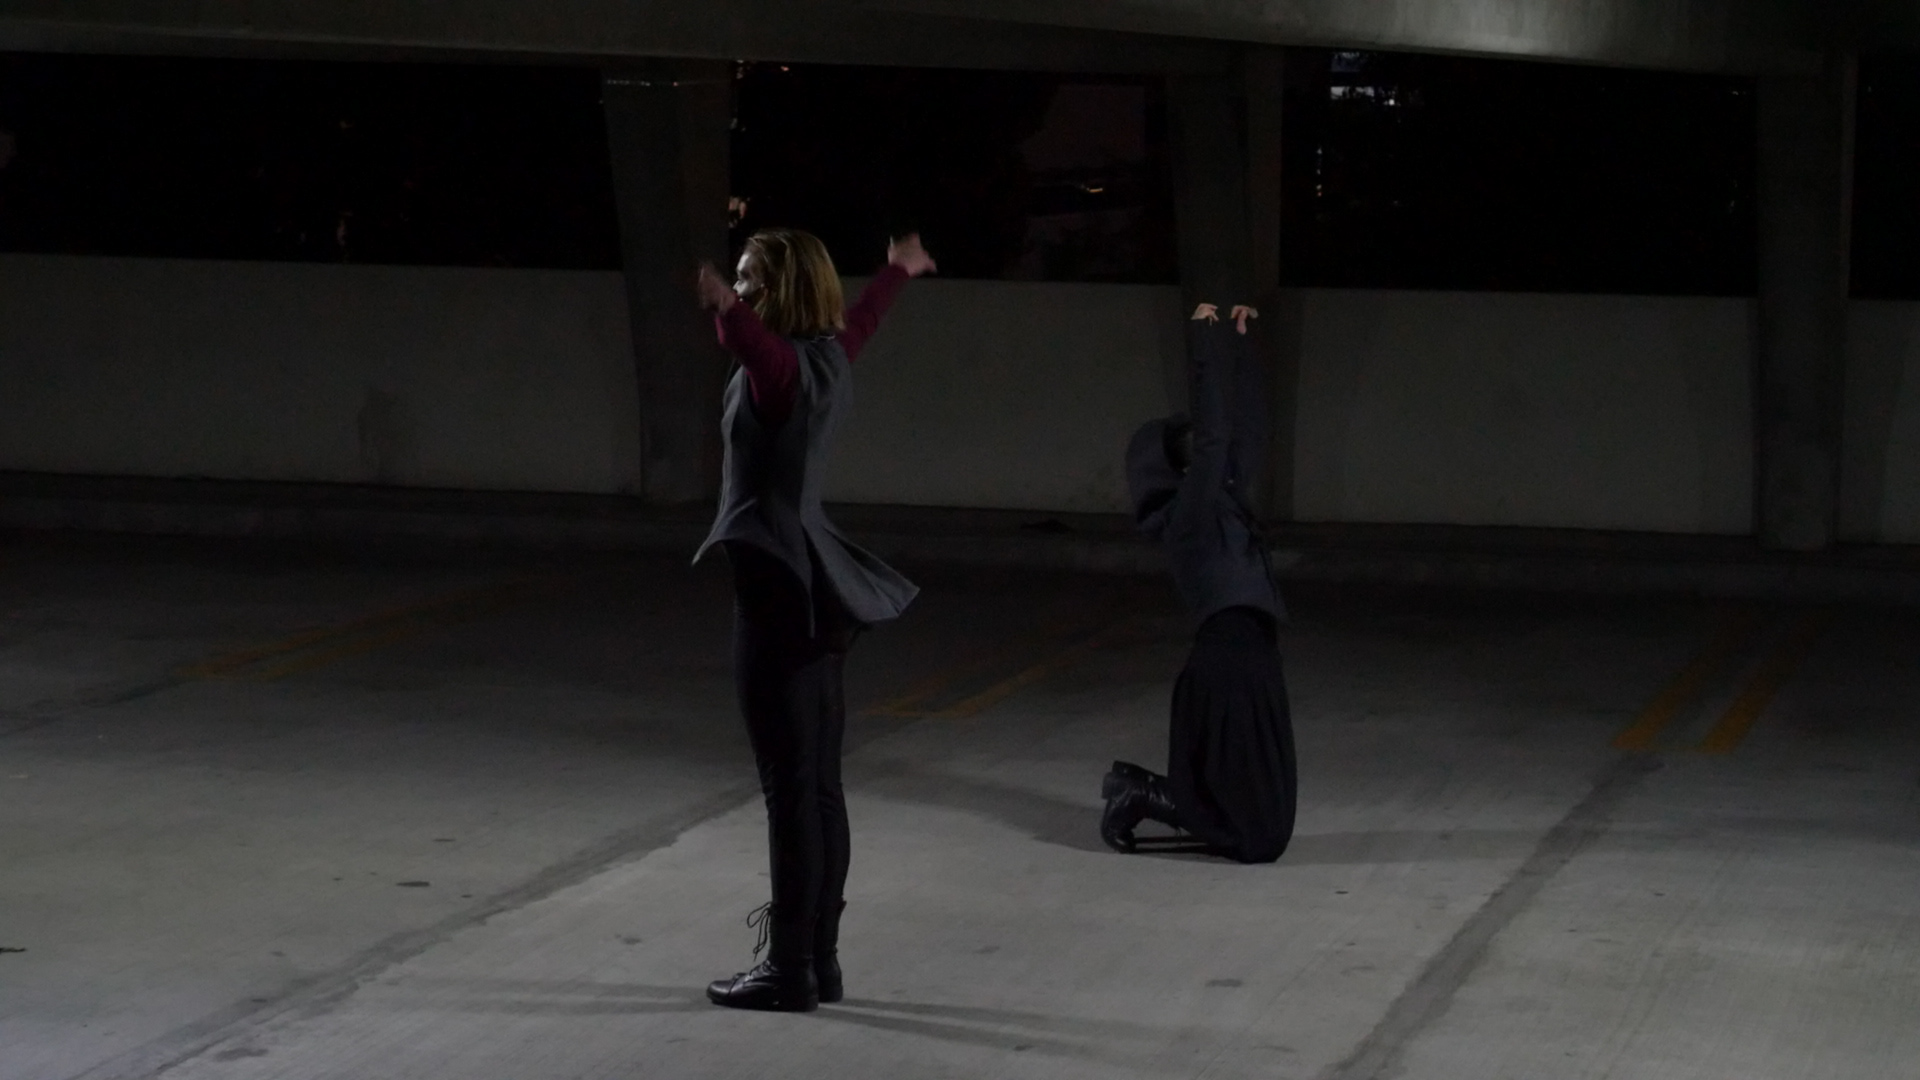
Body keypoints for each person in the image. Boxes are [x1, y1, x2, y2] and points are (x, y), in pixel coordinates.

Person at [692, 228, 937, 1012]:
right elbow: (861, 321)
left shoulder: (784, 372)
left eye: (750, 277)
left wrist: (726, 310)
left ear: (778, 290)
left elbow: (759, 356)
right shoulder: (829, 358)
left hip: (777, 594)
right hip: (814, 591)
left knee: (789, 792)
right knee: (818, 787)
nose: (740, 285)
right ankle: (818, 960)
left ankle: (789, 968)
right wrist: (896, 272)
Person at [1101, 301, 1298, 865]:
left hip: (1254, 657)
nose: (1200, 453)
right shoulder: (1185, 520)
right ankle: (1141, 794)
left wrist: (1243, 344)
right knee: (1255, 838)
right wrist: (1205, 345)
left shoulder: (1224, 503)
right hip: (1227, 663)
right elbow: (1214, 439)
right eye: (1183, 451)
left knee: (1267, 830)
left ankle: (1145, 790)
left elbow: (1250, 434)